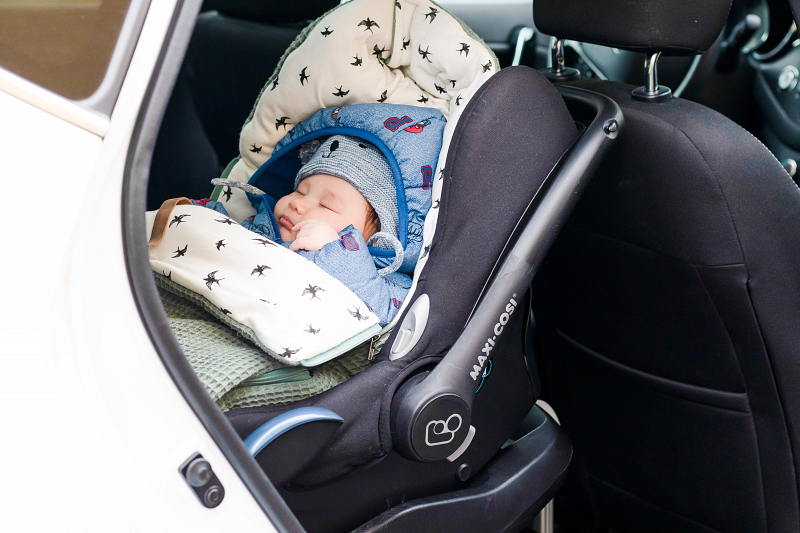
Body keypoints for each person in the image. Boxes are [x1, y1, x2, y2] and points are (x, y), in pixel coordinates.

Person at [201, 134, 419, 325]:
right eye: (300, 191)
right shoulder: (258, 227)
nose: (297, 204)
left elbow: (384, 317)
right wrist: (205, 216)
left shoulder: (384, 281)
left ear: (375, 240)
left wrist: (338, 255)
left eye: (326, 205)